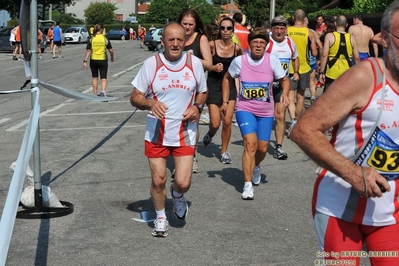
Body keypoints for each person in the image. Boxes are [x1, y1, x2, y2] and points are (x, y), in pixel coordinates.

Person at [290, 2, 399, 264]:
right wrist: (353, 172)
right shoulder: (366, 76)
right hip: (340, 208)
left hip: (390, 213)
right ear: (384, 38)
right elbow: (303, 129)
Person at [130, 22, 207, 237]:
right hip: (157, 133)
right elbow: (134, 97)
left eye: (179, 40)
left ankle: (177, 195)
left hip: (185, 132)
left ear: (185, 41)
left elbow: (203, 92)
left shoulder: (194, 63)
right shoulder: (151, 64)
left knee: (183, 182)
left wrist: (197, 106)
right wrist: (150, 103)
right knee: (158, 179)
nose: (175, 44)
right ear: (162, 41)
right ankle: (161, 216)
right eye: (170, 40)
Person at [221, 27, 290, 200]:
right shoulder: (240, 61)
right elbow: (227, 78)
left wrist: (286, 95)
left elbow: (284, 80)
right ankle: (247, 184)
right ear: (249, 44)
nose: (258, 45)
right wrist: (224, 101)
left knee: (262, 148)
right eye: (255, 42)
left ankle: (256, 166)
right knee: (250, 144)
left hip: (266, 112)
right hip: (245, 109)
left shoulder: (272, 60)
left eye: (262, 43)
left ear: (266, 46)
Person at [202, 17, 242, 164]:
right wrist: (212, 67)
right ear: (219, 29)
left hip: (229, 86)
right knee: (215, 123)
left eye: (228, 28)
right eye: (223, 28)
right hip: (213, 85)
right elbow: (203, 64)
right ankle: (210, 134)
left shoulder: (237, 48)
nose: (225, 31)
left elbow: (241, 66)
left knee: (226, 121)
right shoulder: (212, 45)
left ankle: (224, 151)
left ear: (233, 30)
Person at [177, 9, 212, 173]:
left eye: (191, 24)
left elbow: (209, 64)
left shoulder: (201, 38)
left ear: (196, 24)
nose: (187, 27)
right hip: (176, 87)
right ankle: (179, 159)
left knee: (192, 122)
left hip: (196, 89)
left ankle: (191, 156)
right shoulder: (176, 37)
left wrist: (192, 57)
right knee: (176, 123)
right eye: (184, 23)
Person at [266, 15, 299, 160]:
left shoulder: (290, 42)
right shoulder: (267, 41)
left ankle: (278, 146)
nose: (279, 31)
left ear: (286, 29)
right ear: (272, 29)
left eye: (282, 28)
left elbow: (295, 58)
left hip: (281, 85)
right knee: (264, 117)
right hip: (265, 86)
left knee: (280, 116)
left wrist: (296, 71)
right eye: (276, 28)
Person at [287, 9, 317, 135]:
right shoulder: (309, 33)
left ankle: (293, 119)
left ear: (293, 18)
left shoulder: (287, 31)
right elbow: (315, 52)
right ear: (304, 19)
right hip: (304, 67)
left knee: (290, 96)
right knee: (300, 97)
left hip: (289, 67)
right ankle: (296, 122)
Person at [319, 15, 360, 90]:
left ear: (335, 23)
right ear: (347, 25)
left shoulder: (329, 36)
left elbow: (324, 55)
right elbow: (357, 58)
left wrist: (321, 72)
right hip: (346, 72)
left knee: (329, 96)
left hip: (332, 72)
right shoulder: (352, 38)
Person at [83, 24, 114, 97]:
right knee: (103, 77)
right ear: (102, 29)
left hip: (93, 59)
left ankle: (95, 94)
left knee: (94, 77)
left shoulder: (92, 38)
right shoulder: (104, 38)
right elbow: (111, 50)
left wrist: (85, 61)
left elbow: (88, 50)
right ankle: (103, 91)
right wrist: (112, 57)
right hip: (102, 59)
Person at [304, 17, 323, 105]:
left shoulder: (293, 31)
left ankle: (301, 100)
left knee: (301, 82)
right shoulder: (312, 32)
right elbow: (320, 45)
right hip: (312, 59)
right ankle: (313, 96)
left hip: (300, 61)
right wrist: (320, 58)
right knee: (312, 80)